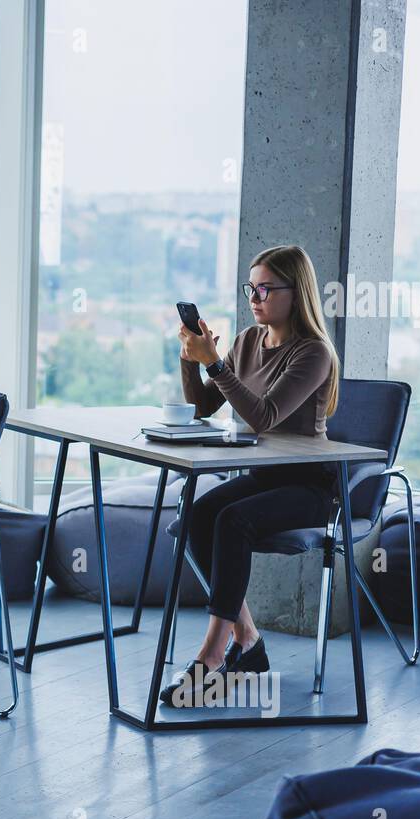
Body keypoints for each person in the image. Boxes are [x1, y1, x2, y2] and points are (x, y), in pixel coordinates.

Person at [163, 244, 341, 706]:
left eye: (265, 288)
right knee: (195, 517)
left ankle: (211, 656)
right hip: (263, 477)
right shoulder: (246, 341)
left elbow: (264, 416)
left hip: (310, 484)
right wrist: (191, 357)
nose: (255, 297)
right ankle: (249, 641)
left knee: (231, 521)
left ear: (294, 292)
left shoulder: (313, 353)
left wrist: (214, 364)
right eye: (251, 287)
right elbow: (205, 406)